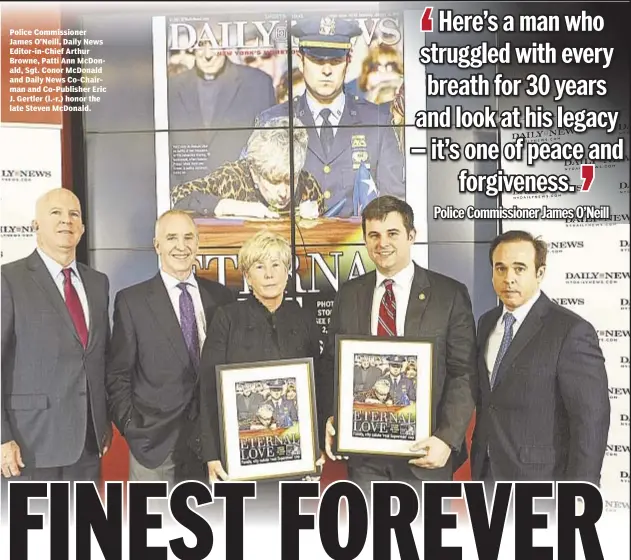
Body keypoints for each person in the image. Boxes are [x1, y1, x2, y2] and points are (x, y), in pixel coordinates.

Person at [322, 195, 477, 496]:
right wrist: (333, 415)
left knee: (424, 542)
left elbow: (464, 373)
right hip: (365, 457)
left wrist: (446, 439)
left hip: (426, 453)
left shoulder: (449, 295)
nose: (383, 243)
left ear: (411, 236)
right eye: (374, 235)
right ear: (365, 240)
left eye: (392, 233)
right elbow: (333, 364)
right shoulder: (349, 294)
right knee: (370, 541)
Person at [470, 231, 610, 484]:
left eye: (519, 268)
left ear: (540, 273)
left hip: (541, 480)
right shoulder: (486, 322)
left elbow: (591, 418)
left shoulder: (571, 331)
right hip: (485, 473)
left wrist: (582, 488)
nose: (508, 278)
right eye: (500, 268)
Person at [106, 210, 234, 484]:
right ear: (157, 245)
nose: (181, 245)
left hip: (213, 444)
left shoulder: (221, 297)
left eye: (189, 237)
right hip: (155, 447)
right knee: (154, 526)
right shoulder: (132, 301)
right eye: (172, 237)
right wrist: (132, 427)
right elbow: (118, 375)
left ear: (198, 244)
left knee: (214, 525)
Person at [198, 230, 324, 502]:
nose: (269, 274)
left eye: (276, 265)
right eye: (259, 266)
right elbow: (208, 389)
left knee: (295, 536)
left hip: (295, 455)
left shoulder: (304, 319)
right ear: (247, 275)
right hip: (241, 456)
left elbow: (318, 386)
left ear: (287, 271)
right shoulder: (227, 319)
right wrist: (211, 453)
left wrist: (317, 445)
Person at [1, 188, 112, 485]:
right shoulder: (9, 279)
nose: (67, 220)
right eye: (56, 213)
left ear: (83, 227)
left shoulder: (98, 283)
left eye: (74, 214)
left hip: (88, 445)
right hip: (30, 446)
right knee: (32, 532)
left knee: (80, 531)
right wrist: (2, 437)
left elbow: (100, 358)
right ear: (36, 225)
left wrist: (102, 422)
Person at [254, 17, 404, 217]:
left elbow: (394, 203)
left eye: (335, 61)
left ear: (348, 61)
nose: (326, 70)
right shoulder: (272, 121)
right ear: (301, 60)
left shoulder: (376, 121)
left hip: (358, 244)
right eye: (317, 60)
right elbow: (246, 190)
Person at [168, 23, 276, 183]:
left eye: (215, 43)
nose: (208, 54)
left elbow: (270, 149)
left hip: (242, 198)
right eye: (201, 44)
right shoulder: (172, 88)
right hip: (185, 199)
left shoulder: (257, 84)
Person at [171, 117, 324, 219]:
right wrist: (228, 206)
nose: (284, 192)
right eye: (275, 181)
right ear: (255, 172)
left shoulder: (307, 184)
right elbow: (177, 196)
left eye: (290, 180)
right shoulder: (230, 178)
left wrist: (316, 222)